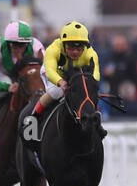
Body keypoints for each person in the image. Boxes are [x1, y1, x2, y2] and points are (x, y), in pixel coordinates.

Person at [26, 21, 103, 150]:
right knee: (57, 92)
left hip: (75, 75)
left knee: (87, 93)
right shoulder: (53, 49)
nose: (75, 52)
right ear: (63, 44)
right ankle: (33, 121)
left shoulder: (91, 53)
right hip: (55, 73)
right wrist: (61, 82)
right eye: (71, 48)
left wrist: (90, 87)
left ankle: (97, 125)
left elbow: (96, 75)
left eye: (79, 49)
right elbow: (50, 71)